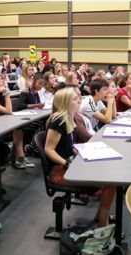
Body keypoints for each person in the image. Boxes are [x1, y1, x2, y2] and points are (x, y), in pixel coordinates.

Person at [45, 87, 115, 227]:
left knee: (110, 173)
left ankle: (101, 216)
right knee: (111, 182)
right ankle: (103, 223)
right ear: (65, 102)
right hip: (61, 169)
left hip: (71, 163)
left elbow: (68, 146)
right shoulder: (59, 120)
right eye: (75, 99)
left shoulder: (69, 118)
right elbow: (49, 149)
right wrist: (67, 163)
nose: (79, 101)